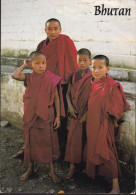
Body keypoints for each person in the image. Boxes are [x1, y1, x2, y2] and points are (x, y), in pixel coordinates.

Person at [12, 51, 65, 182]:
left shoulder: (51, 78)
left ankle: (51, 171)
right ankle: (30, 168)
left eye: (43, 63)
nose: (41, 66)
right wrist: (24, 66)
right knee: (31, 141)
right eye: (37, 63)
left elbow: (57, 98)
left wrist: (58, 116)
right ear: (31, 64)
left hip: (48, 114)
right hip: (32, 115)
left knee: (49, 141)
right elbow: (14, 75)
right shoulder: (29, 77)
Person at [86, 55, 129, 194]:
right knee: (94, 148)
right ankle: (99, 175)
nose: (96, 70)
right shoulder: (94, 83)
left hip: (104, 124)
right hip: (92, 123)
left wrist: (113, 118)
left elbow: (118, 106)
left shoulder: (111, 85)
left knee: (108, 152)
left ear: (107, 68)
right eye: (93, 67)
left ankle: (116, 186)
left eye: (100, 67)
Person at [36, 18, 79, 159]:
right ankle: (49, 145)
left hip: (63, 84)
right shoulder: (42, 45)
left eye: (56, 28)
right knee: (48, 114)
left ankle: (62, 148)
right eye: (50, 28)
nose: (53, 31)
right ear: (45, 30)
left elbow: (74, 61)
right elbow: (37, 63)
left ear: (60, 29)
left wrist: (74, 82)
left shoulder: (65, 41)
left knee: (62, 115)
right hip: (47, 85)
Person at [64, 48, 93, 179]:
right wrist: (70, 106)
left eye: (85, 60)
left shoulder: (94, 75)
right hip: (75, 112)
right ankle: (72, 167)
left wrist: (88, 112)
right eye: (79, 60)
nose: (82, 63)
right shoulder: (74, 75)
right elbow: (68, 93)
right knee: (73, 139)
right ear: (76, 61)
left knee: (88, 140)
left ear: (90, 61)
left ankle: (87, 168)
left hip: (89, 113)